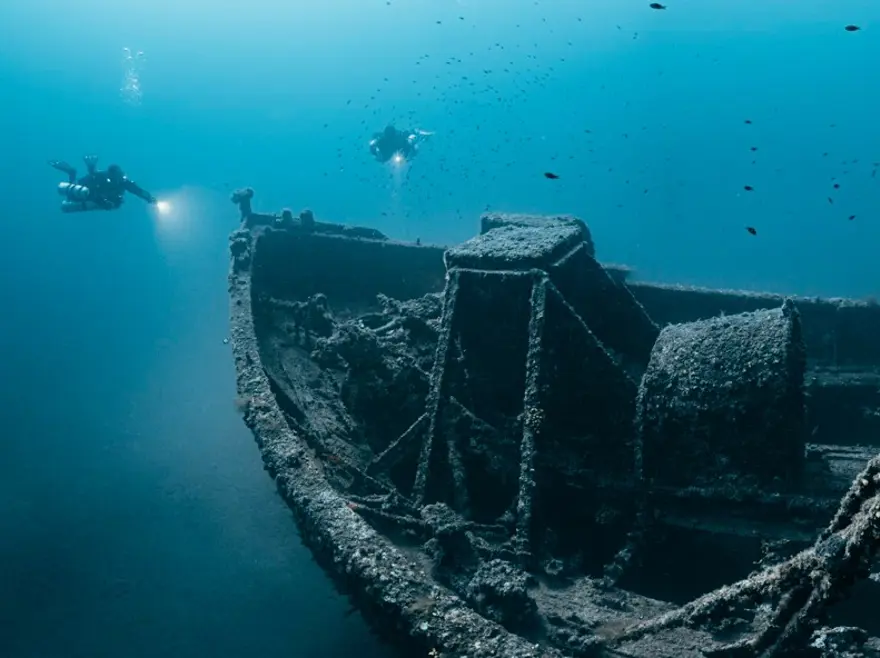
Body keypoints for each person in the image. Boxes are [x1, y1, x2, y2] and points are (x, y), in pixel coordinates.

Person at [49, 155, 157, 213]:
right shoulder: (103, 177)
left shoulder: (122, 181)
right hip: (85, 193)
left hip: (89, 195)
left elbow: (137, 190)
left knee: (112, 204)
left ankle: (71, 172)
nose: (120, 178)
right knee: (77, 193)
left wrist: (149, 198)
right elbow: (92, 182)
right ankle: (71, 172)